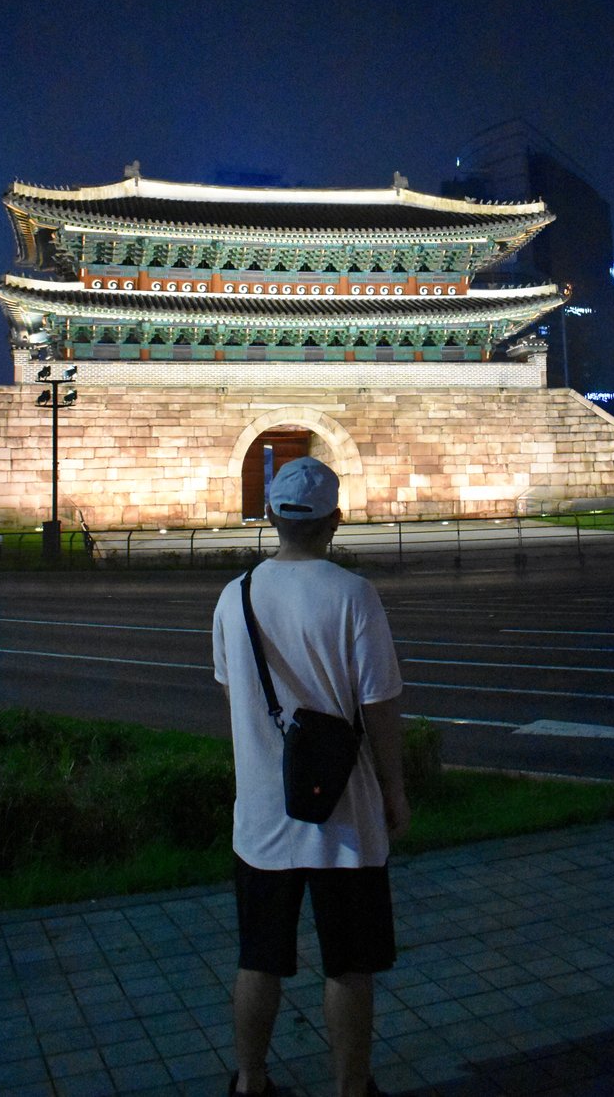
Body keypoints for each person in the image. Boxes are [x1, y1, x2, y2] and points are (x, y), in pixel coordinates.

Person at [213, 455, 410, 1097]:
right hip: (345, 816)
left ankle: (251, 1080)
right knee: (350, 965)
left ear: (271, 517)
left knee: (258, 959)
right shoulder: (354, 595)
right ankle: (351, 1088)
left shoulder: (234, 596)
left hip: (265, 814)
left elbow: (234, 696)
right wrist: (394, 792)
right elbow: (378, 706)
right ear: (336, 521)